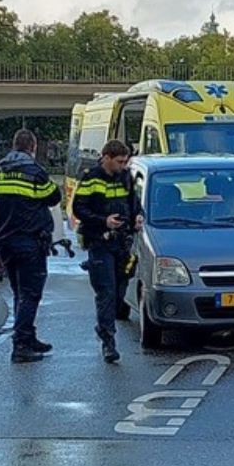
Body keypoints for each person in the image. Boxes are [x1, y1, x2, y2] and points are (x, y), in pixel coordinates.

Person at [0, 129, 59, 362]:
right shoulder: (35, 172)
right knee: (30, 293)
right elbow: (54, 197)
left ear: (13, 145)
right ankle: (21, 345)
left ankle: (28, 337)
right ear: (33, 147)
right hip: (29, 240)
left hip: (3, 240)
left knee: (19, 292)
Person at [71, 139, 142, 363]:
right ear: (107, 158)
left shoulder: (126, 177)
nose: (123, 165)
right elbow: (78, 208)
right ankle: (108, 342)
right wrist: (104, 221)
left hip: (123, 243)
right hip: (100, 242)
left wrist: (138, 216)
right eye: (120, 161)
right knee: (107, 293)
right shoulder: (91, 178)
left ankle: (104, 326)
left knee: (120, 293)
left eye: (125, 161)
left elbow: (134, 203)